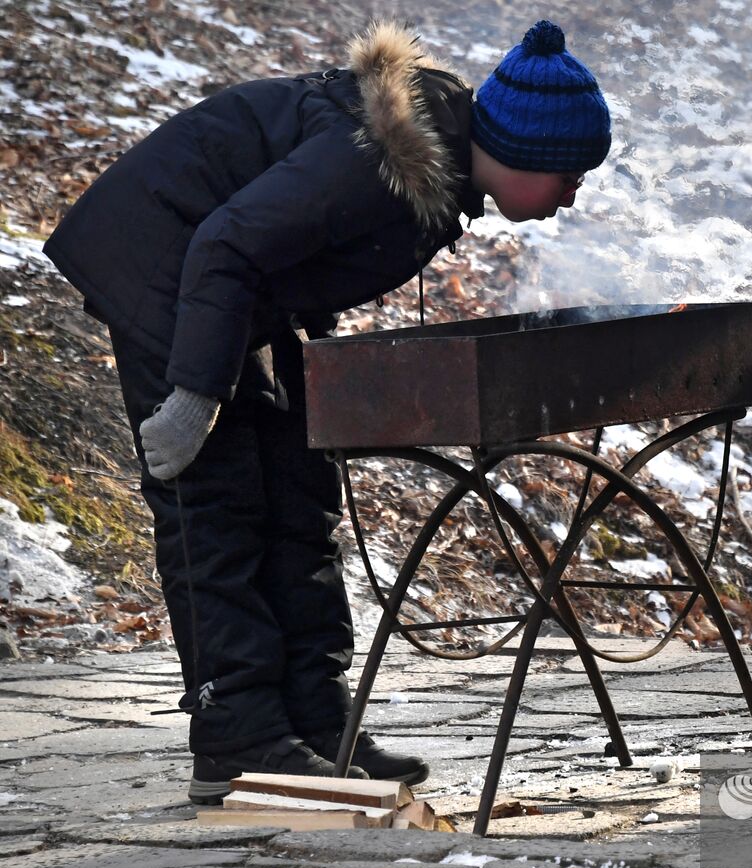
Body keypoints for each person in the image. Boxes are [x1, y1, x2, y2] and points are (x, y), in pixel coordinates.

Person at [42, 20, 611, 803]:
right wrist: (195, 396)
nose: (573, 193)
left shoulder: (435, 162)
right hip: (163, 262)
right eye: (570, 175)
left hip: (238, 294)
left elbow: (300, 247)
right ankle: (239, 739)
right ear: (522, 156)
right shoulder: (376, 159)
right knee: (214, 504)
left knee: (297, 495)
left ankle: (312, 721)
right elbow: (228, 244)